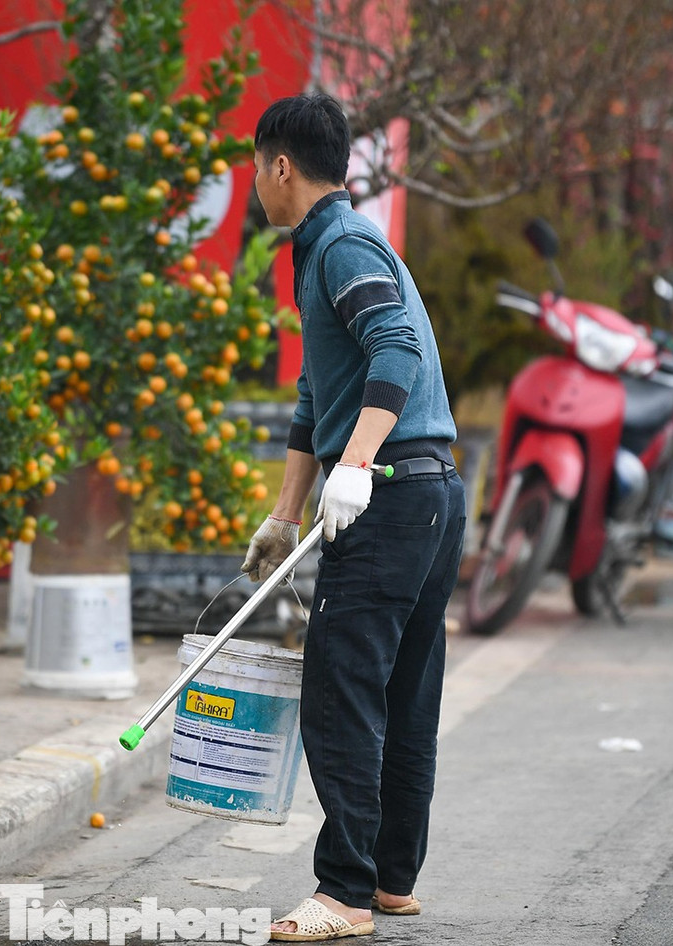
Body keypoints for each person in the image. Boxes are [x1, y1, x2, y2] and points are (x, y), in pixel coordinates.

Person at [239, 92, 466, 941]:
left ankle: (343, 894)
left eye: (257, 166)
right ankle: (392, 881)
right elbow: (315, 395)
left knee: (342, 691)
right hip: (431, 491)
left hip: (393, 493)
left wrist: (359, 463)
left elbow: (396, 352)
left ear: (281, 165)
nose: (257, 181)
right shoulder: (331, 249)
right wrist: (285, 513)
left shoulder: (342, 243)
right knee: (405, 691)